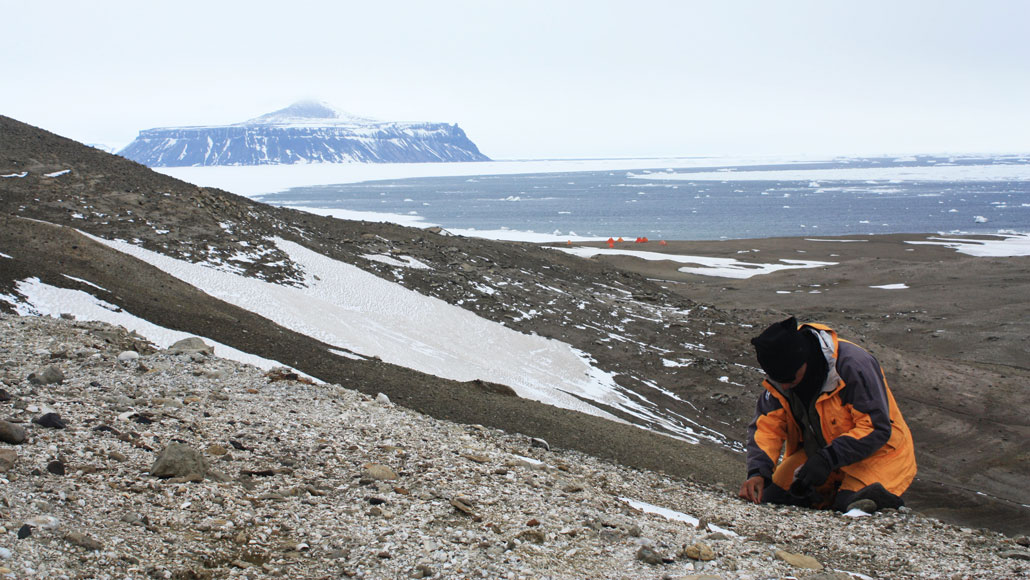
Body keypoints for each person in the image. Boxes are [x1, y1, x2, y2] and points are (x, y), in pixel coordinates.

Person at [738, 316, 917, 513]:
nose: (785, 386)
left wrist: (826, 459)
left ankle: (887, 504)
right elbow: (766, 428)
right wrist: (758, 472)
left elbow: (876, 428)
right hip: (821, 455)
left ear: (804, 358)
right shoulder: (781, 380)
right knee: (772, 498)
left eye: (789, 378)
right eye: (779, 380)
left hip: (879, 452)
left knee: (848, 507)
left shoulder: (852, 365)